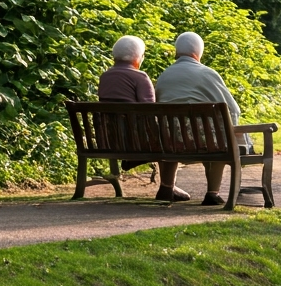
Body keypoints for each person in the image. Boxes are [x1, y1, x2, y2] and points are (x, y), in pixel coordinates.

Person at [154, 32, 244, 206]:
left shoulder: (165, 75)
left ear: (177, 52)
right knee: (219, 137)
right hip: (204, 143)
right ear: (198, 53)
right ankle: (212, 192)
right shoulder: (207, 73)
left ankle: (166, 186)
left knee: (173, 130)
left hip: (170, 141)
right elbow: (232, 108)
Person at [98, 35, 155, 173]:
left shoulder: (104, 77)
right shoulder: (140, 77)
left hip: (108, 140)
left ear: (114, 57)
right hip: (135, 142)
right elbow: (151, 111)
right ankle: (168, 185)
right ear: (138, 58)